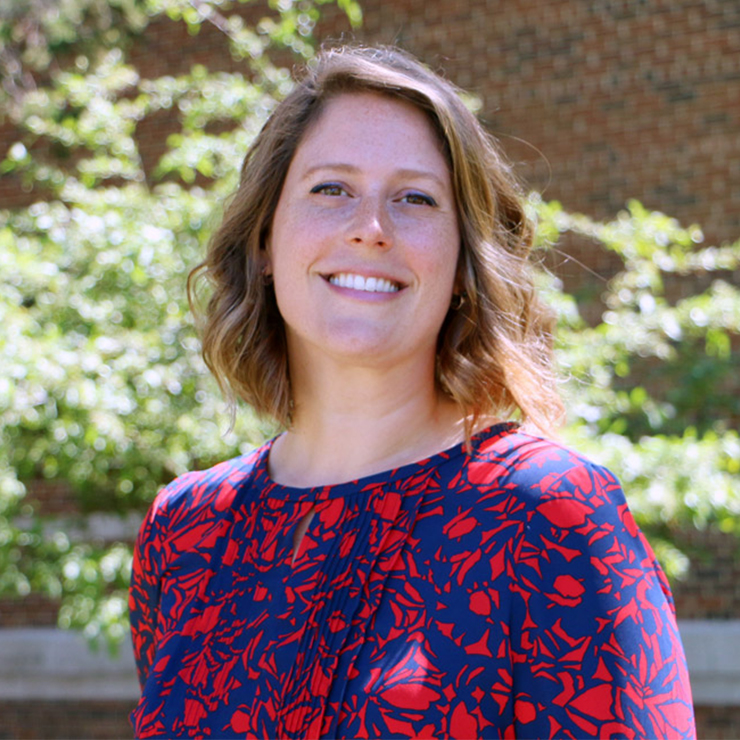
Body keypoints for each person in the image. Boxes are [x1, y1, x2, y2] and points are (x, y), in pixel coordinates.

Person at [129, 45, 696, 739]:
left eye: (416, 198)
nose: (370, 227)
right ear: (267, 241)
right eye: (331, 188)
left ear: (462, 262)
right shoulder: (186, 530)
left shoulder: (549, 516)